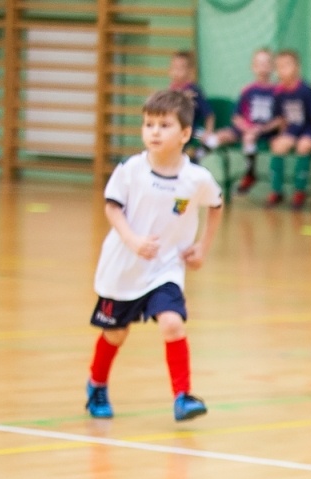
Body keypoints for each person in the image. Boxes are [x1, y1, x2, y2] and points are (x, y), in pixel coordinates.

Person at [86, 89, 222, 423]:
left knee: (172, 324)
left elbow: (217, 206)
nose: (155, 131)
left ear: (185, 134)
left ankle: (182, 397)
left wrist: (203, 247)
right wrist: (132, 240)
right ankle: (97, 385)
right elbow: (112, 207)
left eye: (164, 125)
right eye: (149, 124)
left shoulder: (196, 178)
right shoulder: (131, 169)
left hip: (165, 267)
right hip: (124, 267)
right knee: (115, 333)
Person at [267, 49, 311, 210]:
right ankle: (276, 190)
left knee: (304, 146)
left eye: (287, 65)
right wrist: (279, 135)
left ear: (297, 67)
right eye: (279, 67)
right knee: (278, 146)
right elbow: (281, 118)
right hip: (292, 129)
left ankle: (300, 190)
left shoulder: (307, 90)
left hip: (308, 129)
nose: (283, 70)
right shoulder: (279, 92)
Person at [221, 48, 281, 194]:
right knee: (220, 137)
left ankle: (251, 174)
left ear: (272, 67)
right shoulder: (247, 90)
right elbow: (236, 116)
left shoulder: (278, 91)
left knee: (251, 138)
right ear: (253, 67)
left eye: (266, 63)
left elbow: (281, 119)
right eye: (259, 63)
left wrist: (263, 128)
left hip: (267, 132)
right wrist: (247, 127)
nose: (263, 67)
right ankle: (195, 167)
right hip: (247, 129)